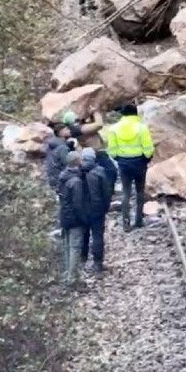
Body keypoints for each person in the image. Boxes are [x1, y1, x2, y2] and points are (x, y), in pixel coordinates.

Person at [105, 103, 155, 231]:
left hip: (124, 163)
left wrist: (119, 158)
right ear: (135, 113)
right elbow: (148, 147)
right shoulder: (142, 128)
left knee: (126, 193)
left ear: (123, 114)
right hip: (140, 162)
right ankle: (138, 220)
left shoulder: (114, 128)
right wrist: (146, 158)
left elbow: (111, 150)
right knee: (139, 192)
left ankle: (126, 223)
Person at [57, 151, 91, 285]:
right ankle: (72, 278)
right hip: (75, 219)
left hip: (64, 216)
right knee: (75, 248)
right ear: (78, 162)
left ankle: (67, 274)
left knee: (67, 247)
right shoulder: (76, 181)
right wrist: (84, 219)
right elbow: (78, 204)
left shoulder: (62, 176)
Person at [80, 147, 113, 275]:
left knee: (84, 234)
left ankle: (82, 258)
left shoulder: (78, 171)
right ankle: (97, 264)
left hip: (83, 209)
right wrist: (106, 207)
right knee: (98, 236)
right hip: (97, 209)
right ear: (94, 158)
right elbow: (107, 192)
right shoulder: (100, 172)